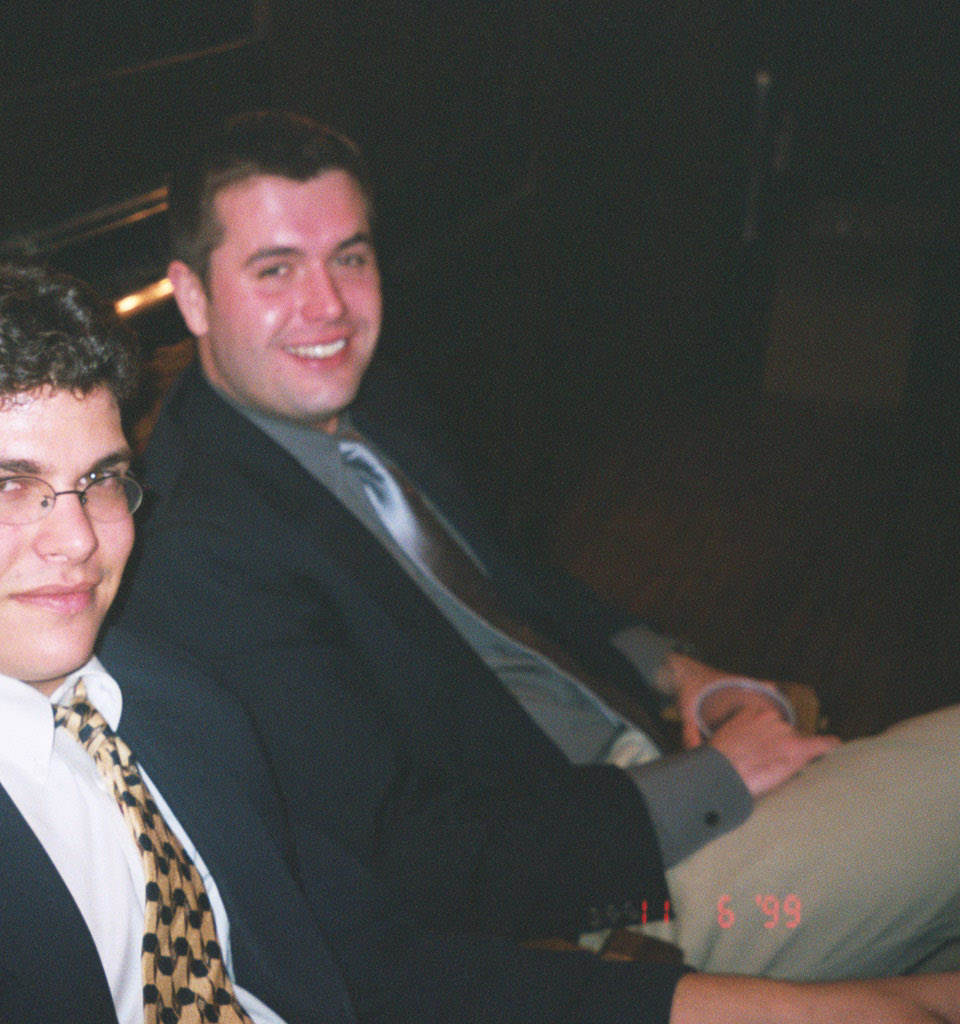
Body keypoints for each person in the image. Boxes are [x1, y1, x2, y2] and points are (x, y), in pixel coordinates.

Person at [0, 248, 960, 1024]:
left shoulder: (173, 699)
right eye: (6, 486)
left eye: (100, 479)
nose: (77, 541)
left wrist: (803, 1009)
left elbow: (380, 965)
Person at [113, 109, 960, 981]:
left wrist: (674, 669)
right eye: (276, 269)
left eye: (351, 258)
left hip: (643, 761)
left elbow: (511, 581)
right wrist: (713, 781)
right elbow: (411, 858)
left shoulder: (374, 401)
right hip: (616, 899)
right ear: (192, 296)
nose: (328, 306)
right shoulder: (200, 550)